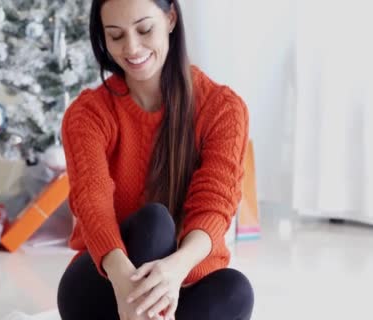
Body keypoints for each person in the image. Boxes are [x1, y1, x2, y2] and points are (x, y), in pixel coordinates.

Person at [57, 0, 254, 319]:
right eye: (116, 35)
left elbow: (215, 204)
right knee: (154, 222)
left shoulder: (222, 108)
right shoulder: (88, 114)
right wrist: (126, 287)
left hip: (182, 278)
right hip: (105, 285)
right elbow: (92, 202)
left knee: (235, 290)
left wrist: (173, 272)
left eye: (145, 29)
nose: (132, 48)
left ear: (171, 19)